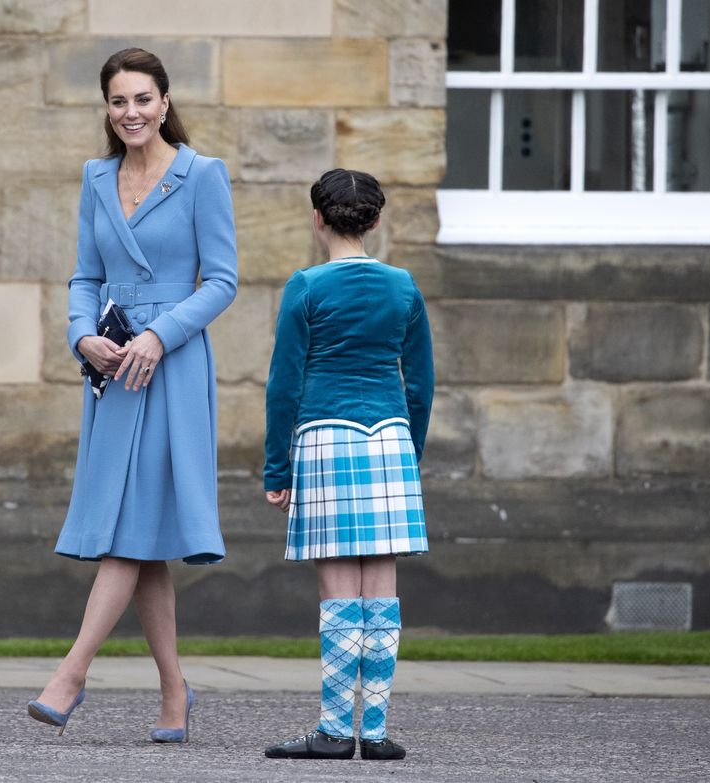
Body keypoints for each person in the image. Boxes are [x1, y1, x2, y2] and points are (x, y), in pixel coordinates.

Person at [27, 47, 237, 743]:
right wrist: (81, 335)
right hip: (112, 371)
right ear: (107, 109)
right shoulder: (95, 178)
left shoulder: (202, 175)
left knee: (130, 527)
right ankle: (175, 691)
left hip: (170, 368)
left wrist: (162, 335)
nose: (131, 113)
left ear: (165, 103)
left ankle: (72, 671)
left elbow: (222, 281)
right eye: (119, 101)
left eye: (143, 99)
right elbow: (84, 276)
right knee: (140, 536)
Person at [261, 169, 433, 762]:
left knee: (338, 589)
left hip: (325, 436)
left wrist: (276, 470)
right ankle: (377, 731)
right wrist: (412, 451)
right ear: (376, 222)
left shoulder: (305, 287)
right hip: (389, 437)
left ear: (317, 220)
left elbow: (284, 385)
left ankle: (335, 731)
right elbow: (421, 385)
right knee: (381, 587)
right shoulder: (404, 287)